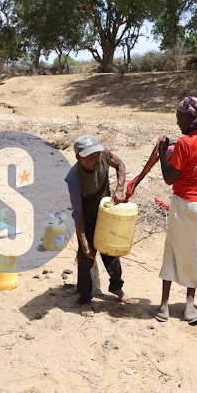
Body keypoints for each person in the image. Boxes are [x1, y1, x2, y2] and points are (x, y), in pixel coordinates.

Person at [149, 95, 197, 324]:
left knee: (172, 250)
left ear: (190, 117)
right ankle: (190, 308)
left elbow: (170, 178)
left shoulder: (184, 144)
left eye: (179, 116)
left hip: (186, 204)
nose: (177, 120)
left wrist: (162, 153)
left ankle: (163, 307)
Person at [65, 134, 131, 317]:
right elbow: (77, 212)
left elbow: (121, 165)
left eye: (97, 155)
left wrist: (119, 189)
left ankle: (116, 287)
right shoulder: (73, 179)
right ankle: (85, 300)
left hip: (107, 212)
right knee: (87, 259)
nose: (97, 159)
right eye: (91, 157)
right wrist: (84, 239)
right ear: (79, 158)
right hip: (87, 218)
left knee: (112, 253)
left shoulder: (104, 154)